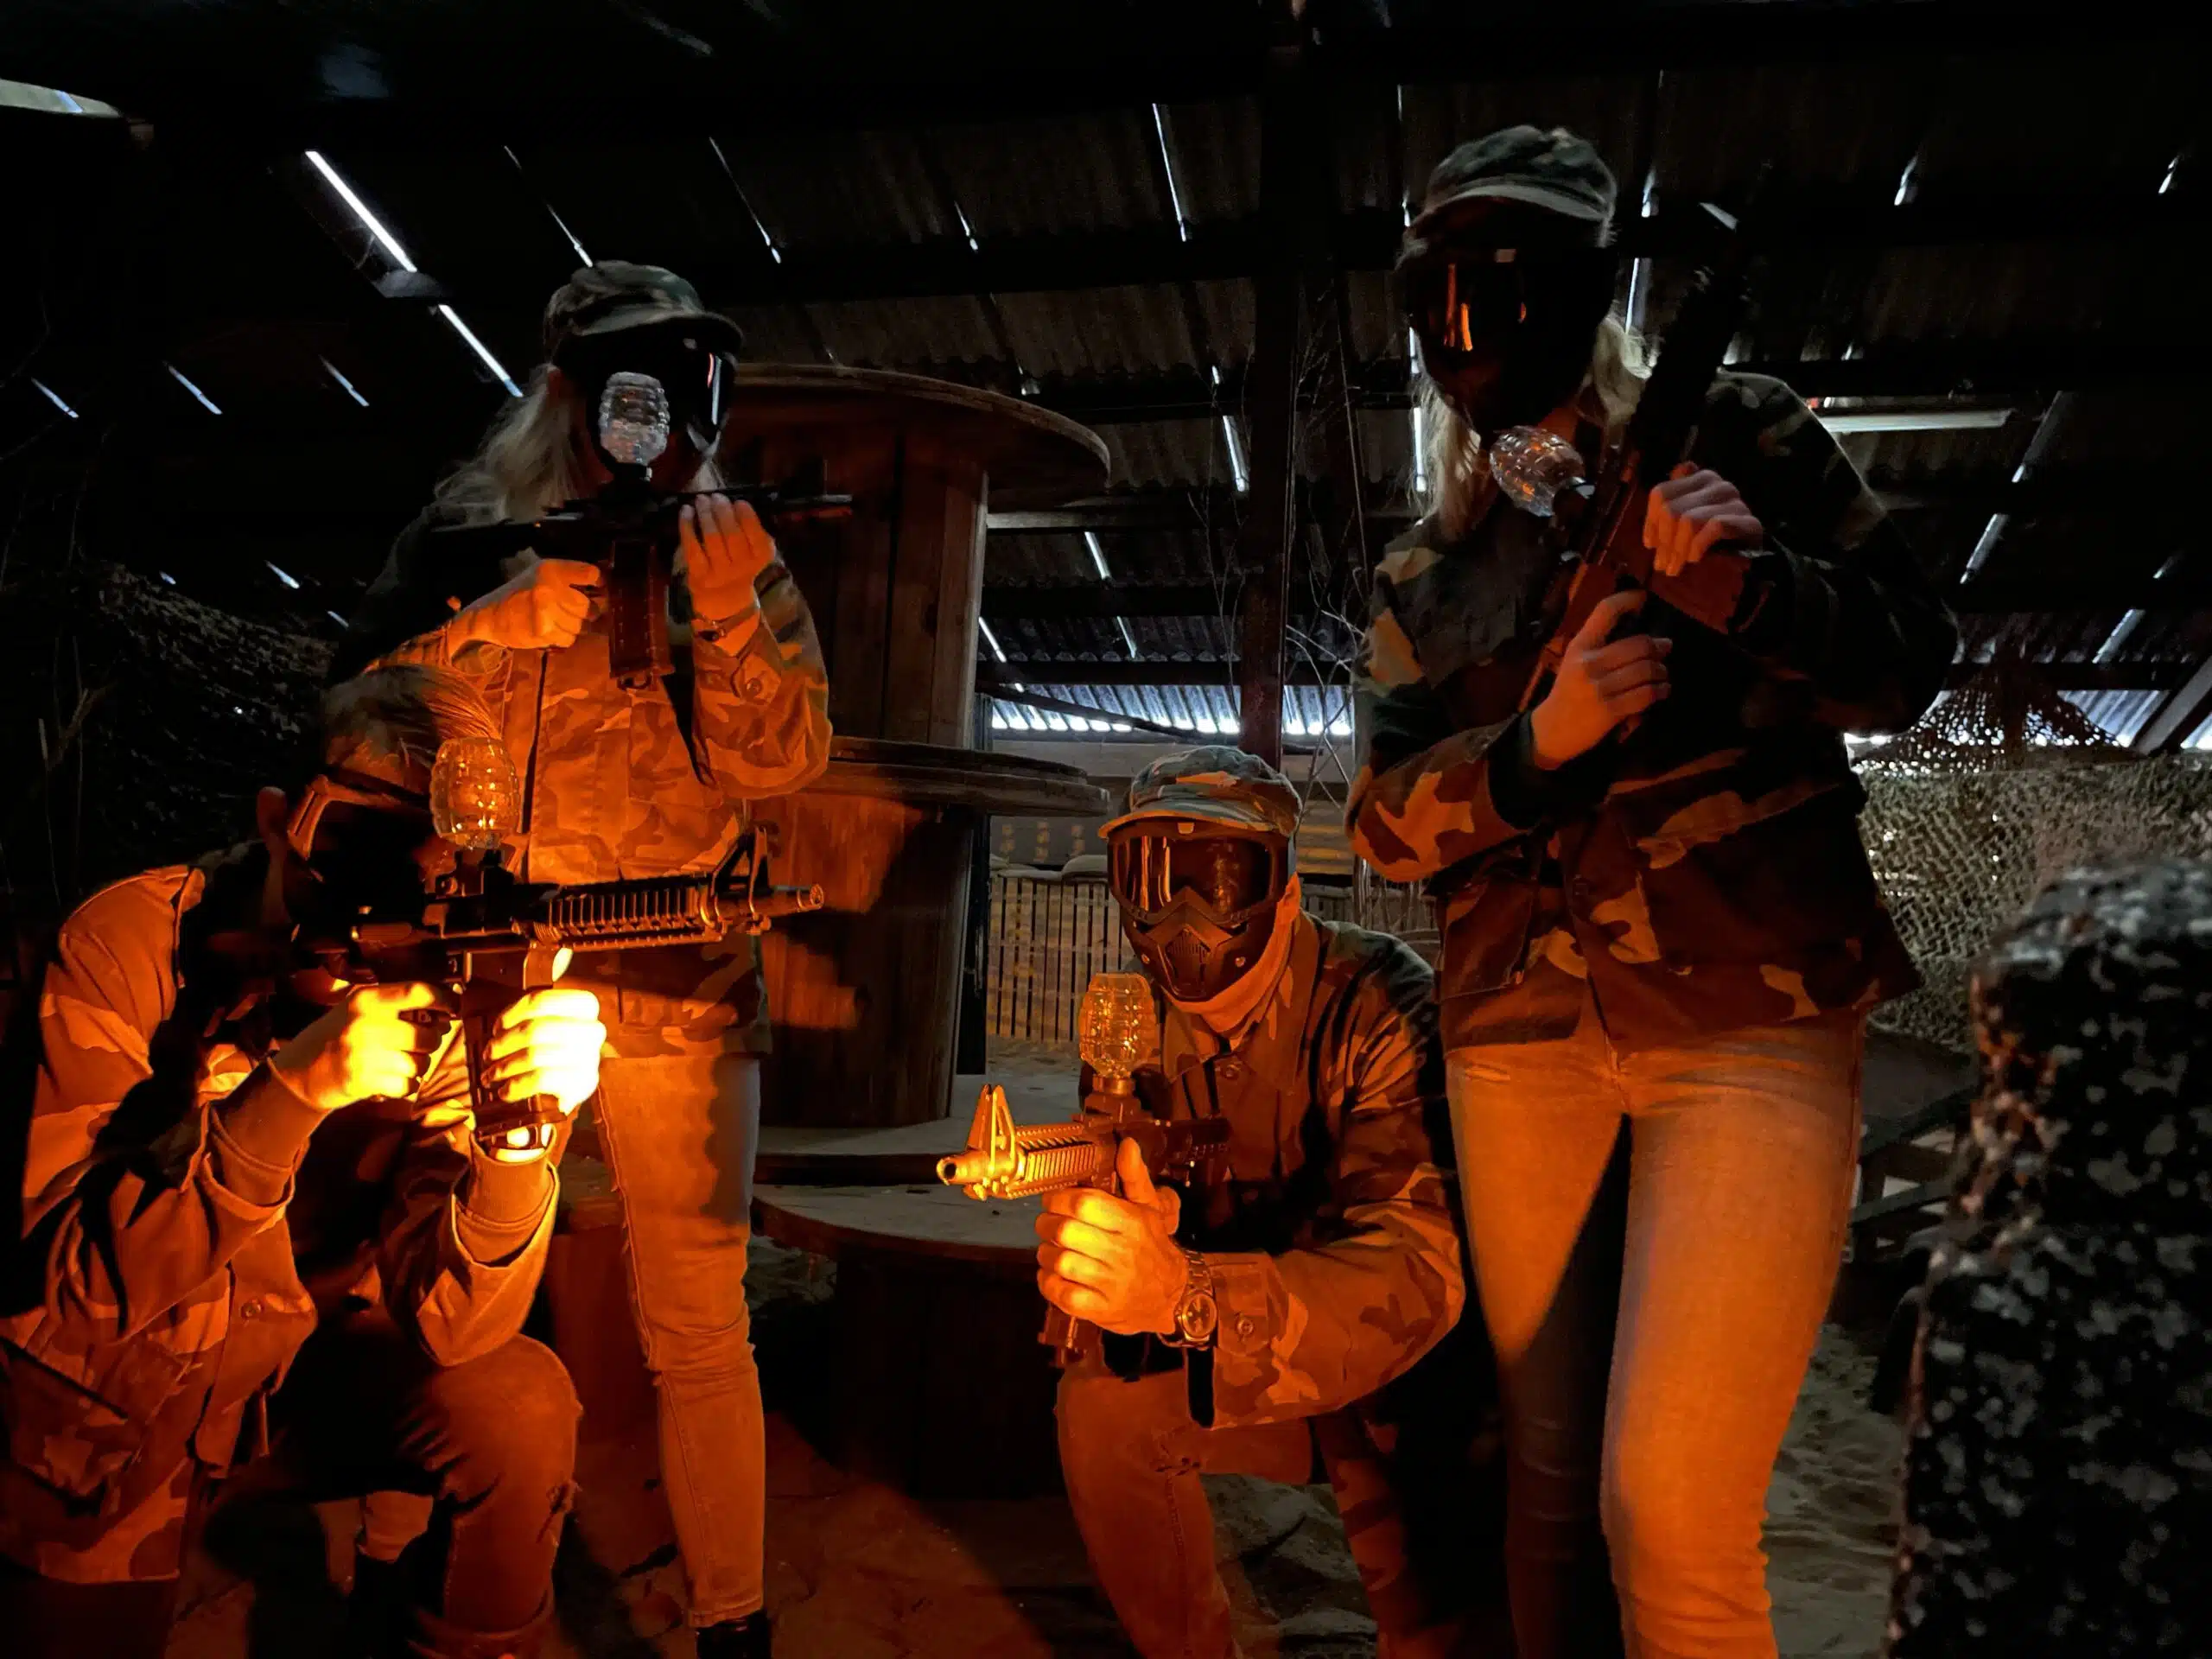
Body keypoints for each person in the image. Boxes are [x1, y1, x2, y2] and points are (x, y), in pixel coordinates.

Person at [1350, 126, 1958, 1659]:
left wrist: (1755, 592)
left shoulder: (1735, 434)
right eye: (1448, 294)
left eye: (1512, 281)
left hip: (1749, 1003)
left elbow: (1911, 660)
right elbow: (1382, 823)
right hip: (1522, 1036)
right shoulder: (1429, 567)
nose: (1476, 327)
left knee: (1672, 1512)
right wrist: (1531, 754)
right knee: (1548, 1486)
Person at [331, 263, 832, 1656]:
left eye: (680, 379)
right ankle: (395, 1559)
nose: (653, 412)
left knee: (699, 1316)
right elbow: (350, 722)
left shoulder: (728, 546)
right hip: (493, 967)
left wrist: (727, 616)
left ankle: (731, 1619)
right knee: (451, 1285)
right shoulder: (471, 529)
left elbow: (783, 762)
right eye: (626, 377)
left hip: (684, 977)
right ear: (565, 388)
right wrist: (484, 626)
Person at [0, 665, 604, 1659]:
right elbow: (64, 1300)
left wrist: (519, 1145)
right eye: (362, 843)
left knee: (518, 1406)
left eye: (441, 866)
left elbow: (458, 1326)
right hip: (117, 1402)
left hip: (304, 1375)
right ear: (279, 820)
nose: (398, 896)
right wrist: (289, 1094)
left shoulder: (452, 979)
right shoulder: (134, 944)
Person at [1038, 746, 1507, 1658]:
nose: (1182, 918)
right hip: (1250, 1365)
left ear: (1286, 893)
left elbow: (1415, 1277)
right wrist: (1124, 1259)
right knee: (1102, 1409)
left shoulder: (1381, 1002)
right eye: (1152, 878)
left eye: (1217, 877)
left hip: (1411, 1383)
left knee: (1447, 1631)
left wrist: (1187, 1292)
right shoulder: (1130, 1032)